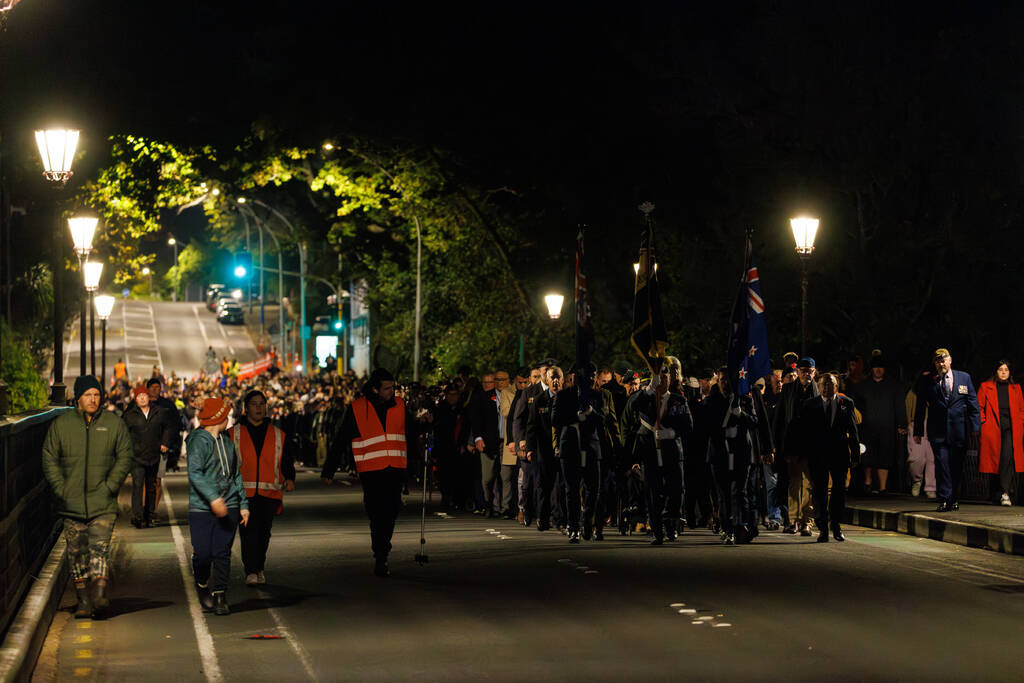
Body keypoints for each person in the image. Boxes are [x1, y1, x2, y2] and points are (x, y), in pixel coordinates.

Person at [42, 376, 133, 619]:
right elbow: (49, 457)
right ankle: (83, 599)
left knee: (99, 548)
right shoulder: (62, 425)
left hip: (102, 502)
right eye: (87, 395)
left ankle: (100, 593)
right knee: (76, 554)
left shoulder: (114, 424)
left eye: (96, 395)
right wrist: (62, 489)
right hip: (71, 505)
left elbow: (125, 455)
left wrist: (110, 485)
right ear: (78, 399)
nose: (93, 400)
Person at [322, 368, 418, 577]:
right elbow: (341, 439)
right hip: (371, 470)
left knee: (391, 510)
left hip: (395, 468)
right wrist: (329, 469)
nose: (392, 392)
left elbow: (410, 433)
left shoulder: (400, 405)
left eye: (393, 387)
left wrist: (418, 457)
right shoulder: (357, 409)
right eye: (387, 388)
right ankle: (380, 553)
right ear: (375, 389)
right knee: (376, 513)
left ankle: (383, 548)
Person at [186, 397, 249, 615]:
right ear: (218, 417)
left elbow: (235, 474)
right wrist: (213, 498)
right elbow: (195, 472)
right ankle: (202, 583)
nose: (230, 418)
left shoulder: (228, 443)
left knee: (222, 551)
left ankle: (220, 593)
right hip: (201, 508)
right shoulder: (198, 441)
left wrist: (243, 504)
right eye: (227, 415)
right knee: (203, 553)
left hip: (229, 504)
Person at [621, 357, 693, 544]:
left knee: (675, 491)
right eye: (659, 376)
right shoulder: (644, 398)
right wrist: (649, 389)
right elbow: (634, 405)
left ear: (670, 379)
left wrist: (671, 432)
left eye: (665, 376)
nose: (663, 379)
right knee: (653, 491)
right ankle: (657, 529)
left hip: (672, 451)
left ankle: (670, 522)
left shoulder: (678, 400)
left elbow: (688, 425)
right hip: (649, 450)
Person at [230, 390, 296, 585]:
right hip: (243, 492)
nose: (258, 408)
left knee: (264, 533)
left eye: (261, 404)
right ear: (245, 408)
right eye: (254, 404)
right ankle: (251, 571)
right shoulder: (233, 433)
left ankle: (259, 567)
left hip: (270, 492)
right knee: (248, 532)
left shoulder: (278, 434)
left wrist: (290, 478)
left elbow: (286, 460)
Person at [913, 348, 980, 512]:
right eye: (938, 361)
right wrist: (918, 431)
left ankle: (954, 498)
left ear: (950, 360)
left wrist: (975, 427)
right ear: (935, 364)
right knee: (942, 465)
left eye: (944, 360)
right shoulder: (928, 380)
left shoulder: (964, 377)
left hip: (959, 431)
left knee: (956, 466)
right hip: (938, 431)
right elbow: (920, 406)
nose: (941, 364)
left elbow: (973, 405)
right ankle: (944, 498)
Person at [798, 373, 860, 542]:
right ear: (819, 387)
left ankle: (836, 525)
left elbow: (853, 431)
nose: (826, 387)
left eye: (830, 384)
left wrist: (855, 454)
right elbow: (804, 432)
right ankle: (823, 527)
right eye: (823, 384)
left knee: (839, 491)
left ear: (836, 386)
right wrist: (803, 455)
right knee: (819, 492)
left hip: (839, 455)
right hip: (817, 456)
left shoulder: (846, 404)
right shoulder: (810, 405)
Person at [552, 362, 609, 543]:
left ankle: (588, 522)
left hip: (591, 448)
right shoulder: (563, 395)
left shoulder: (597, 396)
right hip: (570, 447)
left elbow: (602, 421)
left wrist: (590, 412)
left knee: (594, 490)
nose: (590, 379)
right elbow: (555, 419)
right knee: (573, 490)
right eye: (586, 375)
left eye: (593, 375)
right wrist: (576, 416)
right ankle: (574, 526)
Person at [706, 369, 759, 544]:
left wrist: (740, 414)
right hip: (720, 453)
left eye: (728, 380)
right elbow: (705, 426)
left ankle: (740, 526)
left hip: (741, 452)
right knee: (723, 494)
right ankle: (727, 528)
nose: (725, 384)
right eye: (722, 380)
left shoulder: (745, 399)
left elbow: (754, 421)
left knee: (739, 491)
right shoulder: (712, 401)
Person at [773, 357, 819, 535]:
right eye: (803, 370)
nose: (806, 373)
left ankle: (807, 520)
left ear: (814, 372)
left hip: (811, 444)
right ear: (797, 371)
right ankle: (793, 520)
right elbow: (780, 416)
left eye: (809, 370)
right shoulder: (789, 389)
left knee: (809, 485)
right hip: (792, 444)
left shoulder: (818, 389)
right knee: (793, 484)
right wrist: (776, 444)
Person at [848, 355, 906, 493]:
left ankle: (883, 487)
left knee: (885, 455)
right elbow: (856, 406)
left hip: (887, 426)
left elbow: (899, 406)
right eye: (875, 368)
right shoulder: (863, 386)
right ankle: (868, 483)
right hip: (867, 427)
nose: (878, 370)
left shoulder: (893, 386)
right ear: (872, 369)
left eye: (880, 368)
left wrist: (902, 424)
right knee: (867, 456)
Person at [122, 385, 173, 528]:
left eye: (144, 395)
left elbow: (168, 428)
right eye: (139, 396)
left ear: (148, 397)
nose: (142, 398)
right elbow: (123, 434)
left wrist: (165, 442)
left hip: (154, 455)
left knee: (151, 486)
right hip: (136, 457)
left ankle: (150, 515)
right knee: (138, 486)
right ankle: (137, 516)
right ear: (135, 399)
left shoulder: (159, 412)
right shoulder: (129, 415)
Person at [977, 360, 1024, 506]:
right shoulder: (986, 387)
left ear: (1010, 373)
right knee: (995, 459)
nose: (1003, 372)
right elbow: (979, 407)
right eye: (1000, 369)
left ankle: (1005, 493)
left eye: (1006, 370)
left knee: (1007, 457)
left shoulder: (1016, 388)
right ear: (995, 372)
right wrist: (983, 422)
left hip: (1011, 426)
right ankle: (996, 493)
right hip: (992, 426)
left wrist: (1020, 423)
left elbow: (1022, 409)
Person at [526, 365, 563, 531]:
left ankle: (560, 519)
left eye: (558, 377)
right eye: (552, 378)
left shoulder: (567, 398)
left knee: (562, 485)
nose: (555, 381)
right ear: (546, 380)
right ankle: (543, 517)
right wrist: (530, 448)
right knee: (543, 486)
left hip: (563, 448)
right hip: (544, 449)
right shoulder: (539, 400)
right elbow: (532, 426)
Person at [905, 373, 937, 498]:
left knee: (932, 458)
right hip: (916, 425)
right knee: (916, 458)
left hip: (933, 425)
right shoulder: (913, 394)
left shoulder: (936, 391)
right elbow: (908, 411)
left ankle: (931, 487)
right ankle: (916, 480)